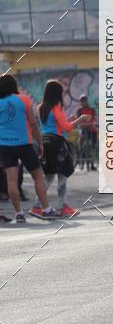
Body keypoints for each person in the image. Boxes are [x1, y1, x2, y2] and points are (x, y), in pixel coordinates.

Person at [0, 73, 55, 223]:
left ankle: (19, 213)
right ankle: (46, 209)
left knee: (12, 180)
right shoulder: (24, 99)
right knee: (37, 176)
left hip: (5, 145)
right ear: (14, 85)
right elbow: (32, 124)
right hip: (24, 144)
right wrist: (40, 143)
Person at [31, 79, 90, 219]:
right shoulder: (56, 107)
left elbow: (54, 124)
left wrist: (69, 119)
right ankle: (63, 206)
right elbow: (67, 128)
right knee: (62, 174)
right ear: (57, 93)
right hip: (56, 143)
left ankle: (36, 206)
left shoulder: (40, 107)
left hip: (45, 142)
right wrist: (81, 119)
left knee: (49, 175)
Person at [76, 94, 98, 171]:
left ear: (86, 101)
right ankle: (80, 156)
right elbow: (78, 120)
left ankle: (92, 163)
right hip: (83, 130)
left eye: (83, 101)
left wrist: (94, 123)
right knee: (81, 143)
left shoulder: (92, 109)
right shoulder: (79, 110)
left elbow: (95, 118)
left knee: (93, 146)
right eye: (81, 101)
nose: (82, 103)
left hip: (91, 130)